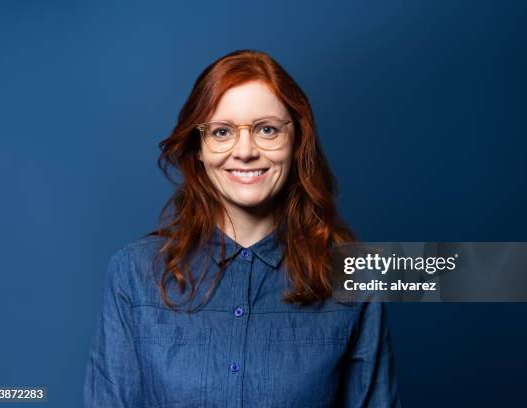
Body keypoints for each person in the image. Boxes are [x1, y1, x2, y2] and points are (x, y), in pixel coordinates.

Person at [83, 49, 401, 408]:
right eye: (222, 131)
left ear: (296, 142)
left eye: (267, 129)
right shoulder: (133, 274)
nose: (245, 151)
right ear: (199, 148)